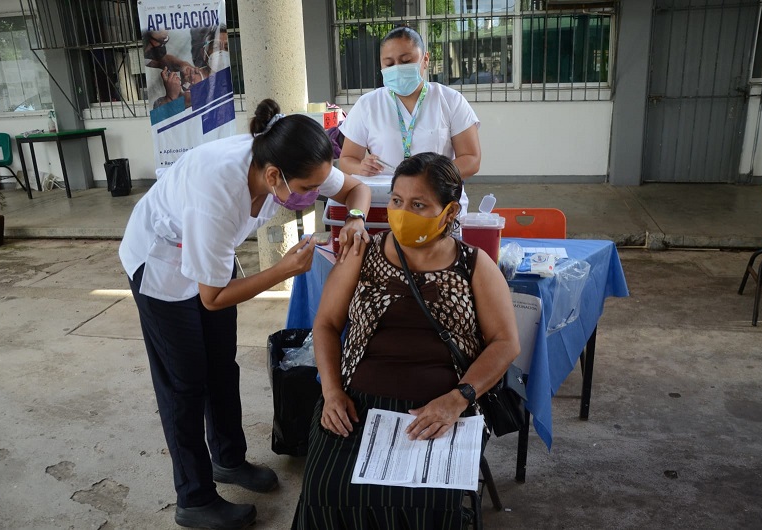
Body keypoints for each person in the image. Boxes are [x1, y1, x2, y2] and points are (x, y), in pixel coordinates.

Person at [119, 99, 372, 530]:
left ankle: (228, 459)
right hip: (160, 261)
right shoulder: (216, 192)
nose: (314, 195)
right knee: (184, 383)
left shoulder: (290, 159)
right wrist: (281, 270)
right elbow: (214, 297)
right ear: (274, 176)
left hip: (208, 259)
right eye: (308, 188)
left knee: (221, 366)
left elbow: (355, 189)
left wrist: (355, 219)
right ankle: (194, 498)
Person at [292, 152, 520, 529]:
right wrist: (331, 393)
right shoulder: (362, 253)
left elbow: (505, 343)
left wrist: (457, 400)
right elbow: (327, 324)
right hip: (356, 407)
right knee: (326, 491)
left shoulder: (474, 265)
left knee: (426, 505)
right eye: (397, 200)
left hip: (441, 412)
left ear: (449, 213)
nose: (402, 212)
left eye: (418, 204)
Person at [338, 26, 481, 214]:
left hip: (439, 203)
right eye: (389, 64)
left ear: (425, 60)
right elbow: (346, 160)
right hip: (386, 203)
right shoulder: (368, 105)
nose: (397, 69)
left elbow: (471, 159)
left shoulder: (450, 100)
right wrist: (361, 167)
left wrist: (430, 178)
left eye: (406, 61)